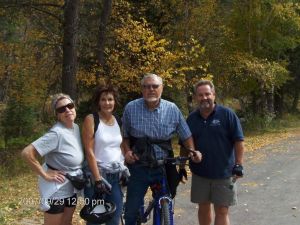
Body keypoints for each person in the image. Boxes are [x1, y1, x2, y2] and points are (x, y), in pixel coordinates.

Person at [122, 73, 202, 225]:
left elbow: (186, 136)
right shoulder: (130, 108)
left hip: (164, 164)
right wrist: (127, 152)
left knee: (166, 200)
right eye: (146, 86)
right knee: (131, 212)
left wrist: (192, 151)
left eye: (155, 86)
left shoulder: (172, 109)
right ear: (142, 89)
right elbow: (125, 137)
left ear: (162, 88)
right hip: (139, 165)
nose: (150, 89)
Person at [186, 80, 245, 225]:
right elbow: (186, 143)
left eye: (207, 94)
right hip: (200, 174)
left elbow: (239, 141)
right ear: (196, 97)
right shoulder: (192, 118)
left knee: (222, 210)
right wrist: (183, 165)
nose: (204, 97)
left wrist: (239, 164)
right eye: (200, 95)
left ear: (214, 94)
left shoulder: (227, 115)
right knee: (203, 208)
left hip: (224, 173)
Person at [21, 93, 84, 225]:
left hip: (71, 187)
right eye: (61, 109)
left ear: (74, 107)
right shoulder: (56, 133)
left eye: (70, 106)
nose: (67, 110)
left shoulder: (75, 127)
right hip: (57, 190)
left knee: (67, 222)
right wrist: (45, 174)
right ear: (57, 115)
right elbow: (27, 153)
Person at [82, 85, 128, 225]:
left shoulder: (117, 120)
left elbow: (120, 147)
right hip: (97, 176)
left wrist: (124, 169)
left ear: (115, 102)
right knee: (95, 220)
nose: (107, 103)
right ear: (98, 102)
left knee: (115, 218)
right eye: (103, 99)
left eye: (110, 99)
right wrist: (97, 179)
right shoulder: (92, 119)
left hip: (115, 176)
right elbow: (89, 150)